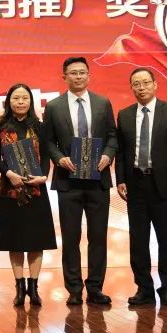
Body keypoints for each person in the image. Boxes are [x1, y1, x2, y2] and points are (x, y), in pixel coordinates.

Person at [41, 56, 118, 306]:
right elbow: (48, 141)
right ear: (64, 76)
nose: (78, 76)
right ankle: (74, 288)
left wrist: (107, 155)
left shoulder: (102, 103)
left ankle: (95, 288)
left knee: (98, 237)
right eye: (73, 73)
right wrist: (59, 158)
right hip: (68, 181)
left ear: (89, 75)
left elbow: (113, 136)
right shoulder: (54, 106)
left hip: (98, 180)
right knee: (71, 237)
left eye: (82, 72)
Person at [115, 67, 167, 307]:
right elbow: (121, 153)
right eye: (136, 84)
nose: (142, 87)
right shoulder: (125, 115)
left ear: (155, 84)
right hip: (135, 185)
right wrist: (120, 179)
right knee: (138, 240)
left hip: (165, 186)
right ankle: (144, 288)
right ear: (131, 88)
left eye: (146, 82)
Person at [0, 83, 56, 307]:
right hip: (10, 190)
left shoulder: (40, 127)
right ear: (9, 101)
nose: (20, 102)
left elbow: (45, 156)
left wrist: (43, 176)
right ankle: (19, 288)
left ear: (31, 102)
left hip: (36, 190)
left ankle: (34, 289)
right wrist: (8, 173)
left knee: (37, 240)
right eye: (16, 98)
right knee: (15, 240)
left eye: (24, 98)